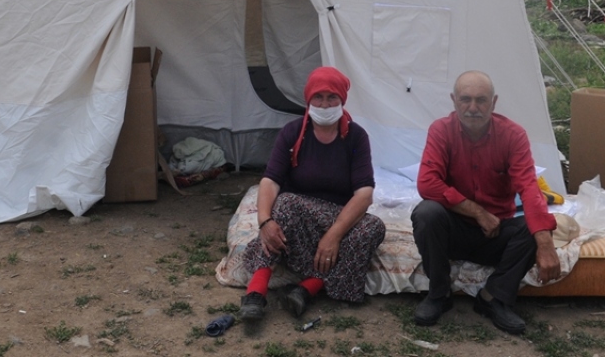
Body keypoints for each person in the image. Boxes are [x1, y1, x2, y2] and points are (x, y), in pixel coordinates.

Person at [411, 71, 561, 335]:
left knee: (532, 229)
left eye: (481, 100)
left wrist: (546, 243)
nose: (472, 108)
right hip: (454, 231)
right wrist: (477, 212)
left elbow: (529, 189)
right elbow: (427, 184)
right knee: (427, 213)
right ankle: (439, 293)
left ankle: (493, 297)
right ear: (453, 101)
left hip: (496, 233)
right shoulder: (441, 131)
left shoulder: (513, 135)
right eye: (465, 99)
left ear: (494, 102)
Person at [240, 67, 386, 320]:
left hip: (336, 215)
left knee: (373, 227)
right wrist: (264, 221)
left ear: (342, 101)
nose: (325, 104)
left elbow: (364, 194)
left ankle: (307, 288)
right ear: (308, 100)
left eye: (333, 98)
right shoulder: (293, 132)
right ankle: (256, 292)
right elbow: (270, 181)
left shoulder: (356, 137)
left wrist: (334, 236)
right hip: (298, 217)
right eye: (319, 97)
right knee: (284, 203)